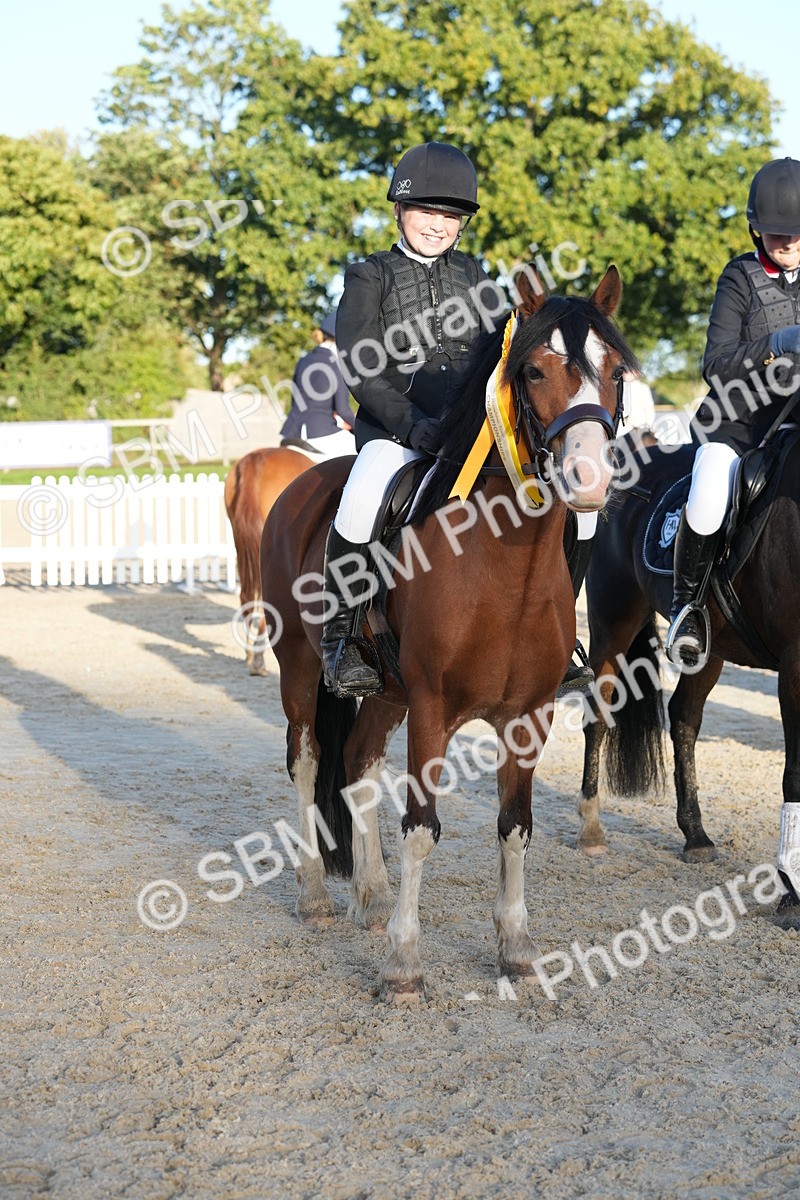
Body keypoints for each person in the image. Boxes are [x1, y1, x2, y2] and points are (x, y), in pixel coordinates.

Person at [322, 140, 594, 697]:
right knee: (363, 496)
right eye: (426, 211)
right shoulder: (368, 276)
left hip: (473, 435)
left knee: (577, 509)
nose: (437, 225)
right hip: (398, 434)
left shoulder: (474, 274)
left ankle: (559, 629)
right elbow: (360, 368)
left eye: (449, 216)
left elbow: (509, 349)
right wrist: (410, 425)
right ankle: (343, 636)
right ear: (398, 210)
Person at [666, 156, 800, 668]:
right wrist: (778, 342)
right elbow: (716, 365)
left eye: (795, 234)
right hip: (736, 427)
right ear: (755, 229)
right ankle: (689, 609)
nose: (786, 242)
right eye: (775, 233)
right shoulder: (740, 277)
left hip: (793, 425)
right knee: (710, 487)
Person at [280, 313, 356, 458]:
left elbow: (295, 400)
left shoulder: (303, 361)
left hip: (291, 432)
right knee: (360, 454)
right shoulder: (336, 364)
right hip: (321, 432)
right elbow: (343, 409)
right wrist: (361, 429)